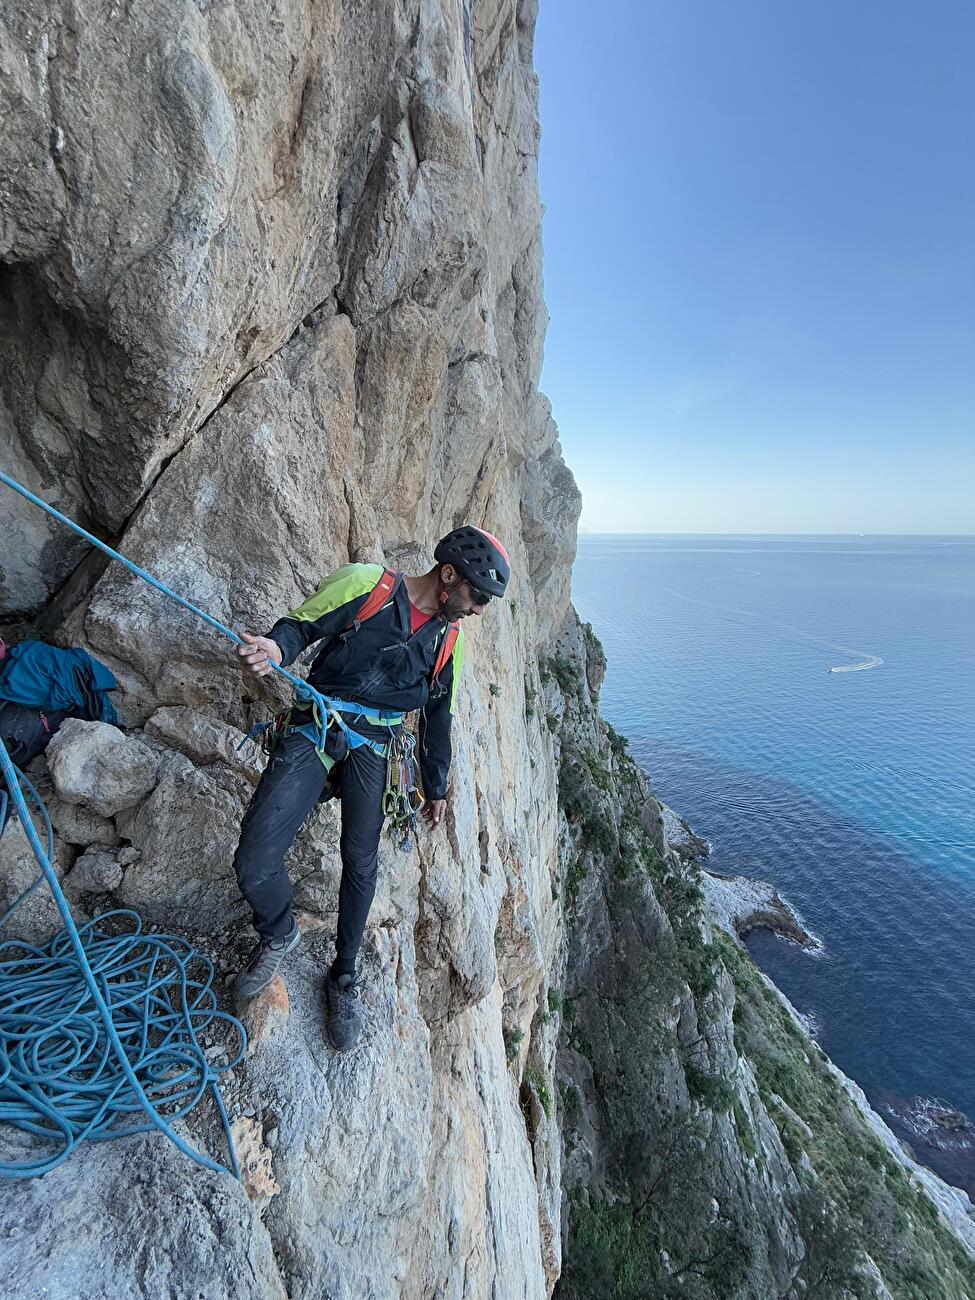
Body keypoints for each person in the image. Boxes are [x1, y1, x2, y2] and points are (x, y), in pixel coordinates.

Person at [231, 526, 510, 1051]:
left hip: (377, 746)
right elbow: (300, 626)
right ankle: (279, 930)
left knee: (361, 862)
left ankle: (344, 976)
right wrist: (277, 648)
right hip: (319, 723)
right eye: (477, 597)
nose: (478, 611)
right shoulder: (368, 586)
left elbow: (438, 715)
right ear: (449, 576)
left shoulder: (449, 641)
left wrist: (437, 786)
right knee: (253, 859)